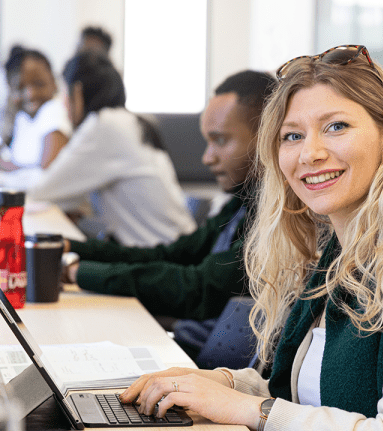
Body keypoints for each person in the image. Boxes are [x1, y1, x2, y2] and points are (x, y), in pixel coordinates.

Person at [119, 45, 383, 431]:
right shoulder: (337, 257)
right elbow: (304, 398)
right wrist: (220, 383)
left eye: (336, 126)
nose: (309, 153)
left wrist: (250, 409)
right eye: (292, 135)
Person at [61, 70, 275, 325]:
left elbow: (196, 288)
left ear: (267, 137)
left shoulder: (273, 222)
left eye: (220, 140)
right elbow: (170, 254)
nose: (207, 158)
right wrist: (71, 248)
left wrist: (77, 272)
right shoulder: (241, 204)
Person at [17, 51, 195, 247]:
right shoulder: (128, 121)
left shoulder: (104, 125)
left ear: (77, 92)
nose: (64, 105)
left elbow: (43, 191)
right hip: (174, 243)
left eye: (64, 94)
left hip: (160, 253)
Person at [0, 49, 71, 171]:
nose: (30, 94)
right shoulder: (23, 117)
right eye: (20, 88)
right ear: (10, 90)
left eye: (39, 84)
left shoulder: (53, 110)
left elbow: (47, 176)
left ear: (54, 82)